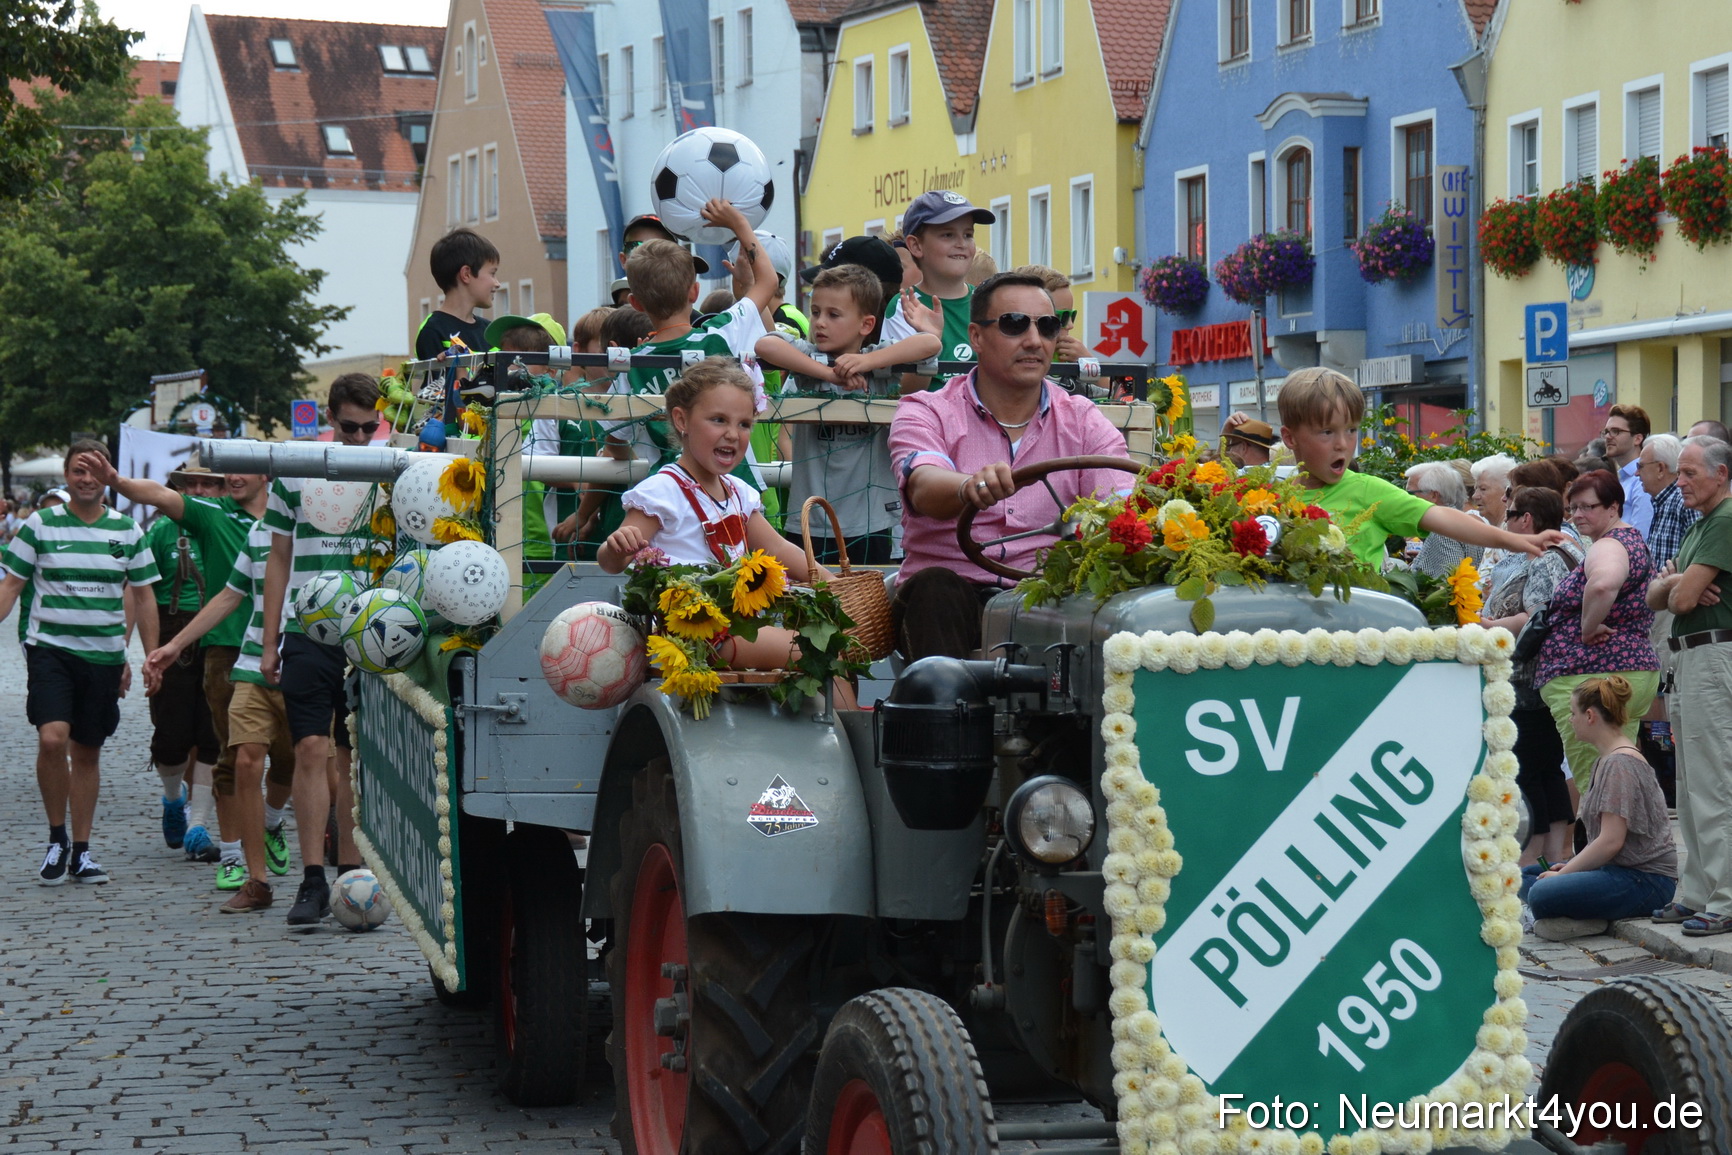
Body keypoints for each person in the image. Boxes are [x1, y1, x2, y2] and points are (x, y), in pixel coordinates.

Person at [888, 271, 1130, 660]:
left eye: (1047, 326)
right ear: (976, 336)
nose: (1034, 341)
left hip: (1048, 598)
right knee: (937, 589)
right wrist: (968, 487)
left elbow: (1121, 499)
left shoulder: (1084, 419)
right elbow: (922, 484)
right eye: (1014, 325)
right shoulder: (926, 409)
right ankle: (946, 712)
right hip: (949, 599)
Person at [597, 357, 826, 671]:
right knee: (814, 649)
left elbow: (778, 549)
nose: (733, 433)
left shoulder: (738, 492)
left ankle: (844, 719)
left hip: (739, 626)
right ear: (682, 420)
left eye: (744, 424)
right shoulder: (662, 491)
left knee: (836, 650)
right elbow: (611, 563)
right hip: (699, 634)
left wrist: (833, 584)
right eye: (719, 420)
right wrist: (617, 546)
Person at [0, 441, 159, 885]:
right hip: (51, 649)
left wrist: (152, 656)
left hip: (104, 656)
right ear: (67, 477)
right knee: (52, 740)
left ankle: (83, 851)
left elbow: (144, 596)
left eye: (93, 470)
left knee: (87, 751)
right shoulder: (41, 524)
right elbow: (11, 586)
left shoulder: (128, 531)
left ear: (107, 475)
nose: (85, 478)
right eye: (77, 471)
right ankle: (56, 838)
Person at [259, 373, 384, 929]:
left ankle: (350, 875)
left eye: (368, 427)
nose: (359, 439)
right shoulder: (296, 469)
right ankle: (311, 879)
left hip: (370, 629)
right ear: (330, 418)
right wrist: (268, 641)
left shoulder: (386, 470)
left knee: (350, 753)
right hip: (308, 629)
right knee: (309, 747)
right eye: (349, 427)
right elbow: (278, 560)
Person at [144, 515, 295, 913]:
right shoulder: (255, 530)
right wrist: (174, 645)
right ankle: (250, 875)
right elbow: (230, 594)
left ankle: (272, 822)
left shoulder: (324, 524)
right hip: (248, 661)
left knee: (294, 759)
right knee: (240, 759)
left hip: (306, 660)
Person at [1274, 369, 1559, 571]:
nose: (1343, 444)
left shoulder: (1366, 490)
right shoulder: (1268, 498)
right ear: (1290, 438)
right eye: (1326, 432)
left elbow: (1444, 517)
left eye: (1351, 430)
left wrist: (1516, 540)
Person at [756, 264, 942, 564]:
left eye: (833, 314)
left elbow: (930, 343)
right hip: (809, 519)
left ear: (866, 325)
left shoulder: (877, 364)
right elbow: (765, 345)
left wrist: (867, 362)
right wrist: (831, 375)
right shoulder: (808, 360)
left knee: (869, 604)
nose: (820, 323)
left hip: (871, 522)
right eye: (815, 312)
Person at [1645, 435, 1732, 935]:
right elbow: (1659, 594)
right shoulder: (1702, 525)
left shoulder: (1724, 521)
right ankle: (1698, 891)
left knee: (1713, 780)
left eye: (1690, 474)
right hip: (1691, 658)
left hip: (1713, 654)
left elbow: (1675, 601)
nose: (1680, 484)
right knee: (1691, 781)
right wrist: (1678, 583)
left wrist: (1677, 585)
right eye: (1678, 474)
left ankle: (1722, 897)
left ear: (1721, 474)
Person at [1518, 675, 1677, 941]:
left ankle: (1581, 919)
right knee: (1526, 875)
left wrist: (1566, 874)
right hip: (1615, 871)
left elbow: (1610, 841)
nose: (1571, 720)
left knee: (1540, 892)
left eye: (1573, 713)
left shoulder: (1620, 764)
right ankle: (1576, 914)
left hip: (1645, 880)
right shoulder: (1605, 759)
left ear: (1590, 716)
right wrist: (1569, 871)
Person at [1533, 470, 1660, 797]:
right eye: (1573, 507)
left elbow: (1603, 583)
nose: (1577, 515)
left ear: (1613, 507)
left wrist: (1588, 628)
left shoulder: (1610, 545)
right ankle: (1620, 844)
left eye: (1588, 507)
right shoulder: (1630, 540)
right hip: (1621, 669)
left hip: (1592, 675)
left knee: (1597, 785)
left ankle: (1604, 844)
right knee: (1617, 776)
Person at [1480, 487, 1583, 867]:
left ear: (1527, 520)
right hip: (1544, 678)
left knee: (1528, 770)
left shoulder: (1543, 560)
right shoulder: (1562, 552)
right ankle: (1555, 859)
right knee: (1547, 768)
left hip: (1528, 679)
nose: (1505, 522)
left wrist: (1487, 625)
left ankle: (1531, 861)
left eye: (1510, 515)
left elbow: (1536, 616)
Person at [137, 465, 223, 857]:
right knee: (170, 738)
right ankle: (174, 798)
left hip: (220, 635)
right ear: (180, 488)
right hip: (172, 634)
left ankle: (199, 826)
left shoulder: (230, 527)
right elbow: (141, 593)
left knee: (212, 735)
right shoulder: (160, 532)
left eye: (210, 483)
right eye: (194, 483)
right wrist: (149, 651)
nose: (201, 489)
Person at [882, 191, 997, 391]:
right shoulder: (905, 305)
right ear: (916, 246)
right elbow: (904, 393)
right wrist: (927, 347)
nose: (961, 243)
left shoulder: (988, 302)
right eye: (948, 234)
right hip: (930, 419)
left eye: (968, 235)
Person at [1404, 461, 1485, 578]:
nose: (1406, 500)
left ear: (1433, 495)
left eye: (1410, 493)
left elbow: (1446, 584)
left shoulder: (1443, 530)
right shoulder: (1462, 520)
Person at [1639, 433, 1698, 571]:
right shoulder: (1661, 502)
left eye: (1640, 466)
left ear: (1660, 468)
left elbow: (1697, 555)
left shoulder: (1684, 501)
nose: (1636, 473)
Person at [1008, 265, 1087, 363]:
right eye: (1062, 317)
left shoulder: (1073, 359)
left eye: (1072, 315)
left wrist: (1088, 367)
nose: (1070, 325)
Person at [1602, 405, 1654, 538]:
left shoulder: (1642, 480)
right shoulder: (1622, 478)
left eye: (1616, 431)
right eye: (1606, 432)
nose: (1608, 437)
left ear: (1637, 438)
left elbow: (1641, 538)